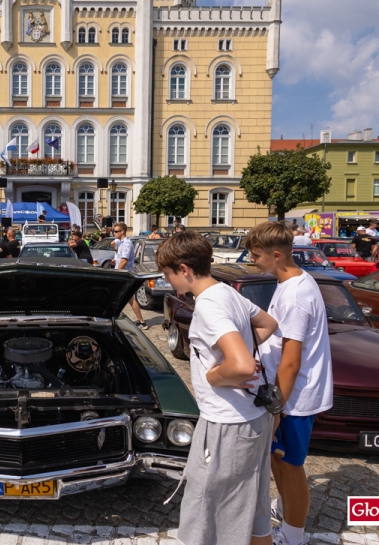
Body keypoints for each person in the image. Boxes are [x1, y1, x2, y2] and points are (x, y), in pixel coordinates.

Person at [155, 232, 279, 545]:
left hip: (226, 425)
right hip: (252, 419)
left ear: (183, 269)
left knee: (206, 514)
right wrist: (240, 355)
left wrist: (216, 375)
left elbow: (241, 366)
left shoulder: (208, 306)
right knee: (252, 509)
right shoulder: (228, 292)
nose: (168, 282)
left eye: (168, 274)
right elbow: (267, 325)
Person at [246, 222, 333, 545]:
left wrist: (277, 406)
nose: (252, 260)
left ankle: (294, 535)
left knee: (289, 464)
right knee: (278, 459)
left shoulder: (297, 294)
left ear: (277, 255)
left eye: (257, 256)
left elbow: (292, 359)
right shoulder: (289, 282)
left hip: (293, 398)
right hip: (287, 393)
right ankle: (285, 507)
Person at [112, 223, 148, 330]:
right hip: (123, 274)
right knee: (125, 298)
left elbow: (124, 260)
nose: (114, 233)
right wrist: (115, 261)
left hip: (125, 275)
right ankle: (139, 321)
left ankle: (142, 322)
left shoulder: (127, 244)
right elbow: (121, 258)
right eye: (114, 231)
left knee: (128, 299)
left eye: (116, 231)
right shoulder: (122, 243)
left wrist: (116, 273)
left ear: (122, 231)